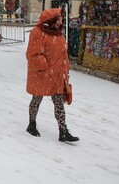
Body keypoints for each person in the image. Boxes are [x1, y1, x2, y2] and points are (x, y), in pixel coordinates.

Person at [25, 8, 79, 142]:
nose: (61, 21)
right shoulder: (37, 33)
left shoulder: (59, 35)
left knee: (59, 102)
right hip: (42, 75)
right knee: (37, 99)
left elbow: (63, 54)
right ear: (51, 20)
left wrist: (66, 68)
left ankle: (63, 131)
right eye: (59, 18)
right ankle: (32, 124)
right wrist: (44, 67)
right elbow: (33, 54)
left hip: (57, 75)